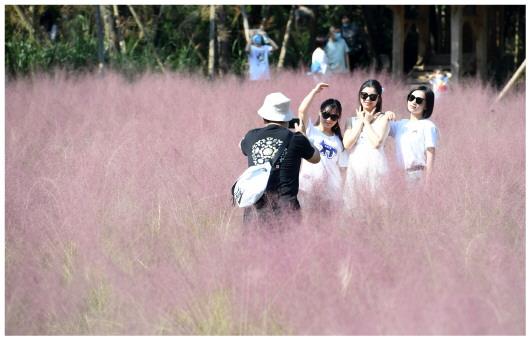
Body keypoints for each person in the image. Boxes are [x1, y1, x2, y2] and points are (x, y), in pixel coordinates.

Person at [239, 92, 320, 226]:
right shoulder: (296, 139)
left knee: (254, 247)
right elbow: (316, 157)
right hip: (286, 210)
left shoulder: (250, 136)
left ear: (264, 116)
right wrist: (303, 135)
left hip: (254, 212)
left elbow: (241, 145)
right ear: (287, 119)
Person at [342, 79, 392, 211]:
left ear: (378, 99)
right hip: (356, 168)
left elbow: (376, 142)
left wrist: (366, 121)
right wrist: (360, 122)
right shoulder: (350, 121)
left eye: (372, 96)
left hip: (376, 168)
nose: (367, 99)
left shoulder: (384, 118)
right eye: (364, 95)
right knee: (355, 208)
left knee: (378, 208)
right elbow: (347, 144)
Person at [297, 83, 346, 210]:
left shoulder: (339, 141)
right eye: (326, 114)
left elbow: (343, 169)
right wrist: (314, 91)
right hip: (307, 189)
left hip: (331, 194)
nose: (329, 119)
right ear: (320, 113)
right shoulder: (310, 130)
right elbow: (302, 111)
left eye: (334, 117)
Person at [389, 85, 439, 184]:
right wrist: (385, 114)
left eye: (419, 100)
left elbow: (431, 154)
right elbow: (380, 129)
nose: (414, 102)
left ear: (426, 106)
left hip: (416, 174)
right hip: (398, 176)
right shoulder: (400, 124)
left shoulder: (428, 126)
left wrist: (428, 182)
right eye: (411, 98)